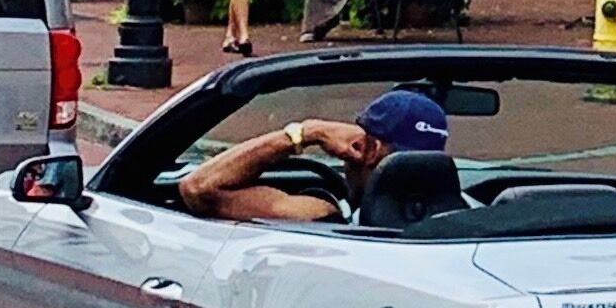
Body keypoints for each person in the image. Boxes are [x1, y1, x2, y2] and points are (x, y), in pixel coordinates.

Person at [178, 82, 451, 225]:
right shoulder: (472, 211)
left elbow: (198, 188)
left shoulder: (326, 219)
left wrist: (307, 132)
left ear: (369, 151)